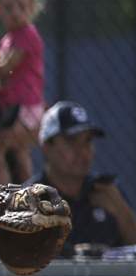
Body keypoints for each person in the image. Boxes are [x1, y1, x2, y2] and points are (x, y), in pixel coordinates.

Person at [30, 101, 136, 255]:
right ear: (47, 147)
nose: (82, 151)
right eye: (71, 141)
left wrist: (121, 211)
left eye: (88, 141)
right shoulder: (29, 198)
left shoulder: (107, 191)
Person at [0, 0, 45, 185]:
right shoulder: (11, 38)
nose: (16, 12)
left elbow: (5, 66)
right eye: (9, 7)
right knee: (19, 151)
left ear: (32, 7)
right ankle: (27, 196)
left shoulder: (26, 34)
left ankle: (4, 195)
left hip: (24, 108)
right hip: (23, 108)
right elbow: (1, 61)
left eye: (22, 6)